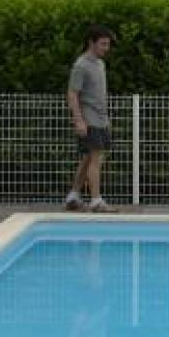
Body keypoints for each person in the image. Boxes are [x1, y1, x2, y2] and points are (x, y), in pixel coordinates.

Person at [64, 25, 116, 213]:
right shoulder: (81, 65)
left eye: (108, 44)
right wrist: (79, 120)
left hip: (101, 119)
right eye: (102, 44)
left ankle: (73, 196)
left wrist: (106, 118)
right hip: (89, 119)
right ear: (91, 43)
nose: (106, 48)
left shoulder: (100, 64)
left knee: (88, 159)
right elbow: (72, 93)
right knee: (96, 158)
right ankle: (96, 201)